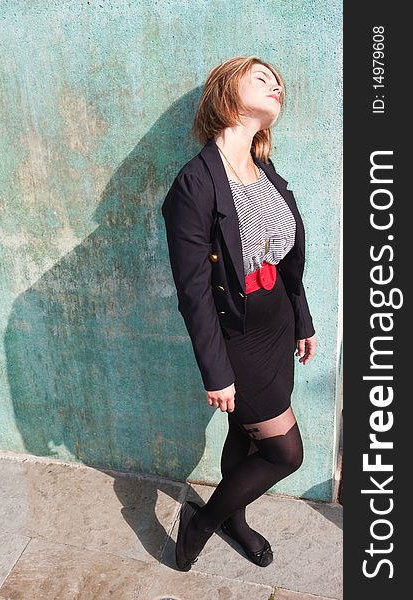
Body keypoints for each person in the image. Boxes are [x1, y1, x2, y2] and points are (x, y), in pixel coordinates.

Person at [161, 56, 317, 571]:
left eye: (280, 82)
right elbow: (194, 292)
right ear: (227, 92)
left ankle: (235, 519)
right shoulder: (195, 183)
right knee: (283, 453)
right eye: (263, 78)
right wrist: (217, 371)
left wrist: (302, 317)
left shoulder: (264, 169)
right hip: (237, 335)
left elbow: (286, 257)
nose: (277, 86)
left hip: (277, 327)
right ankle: (200, 525)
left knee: (244, 436)